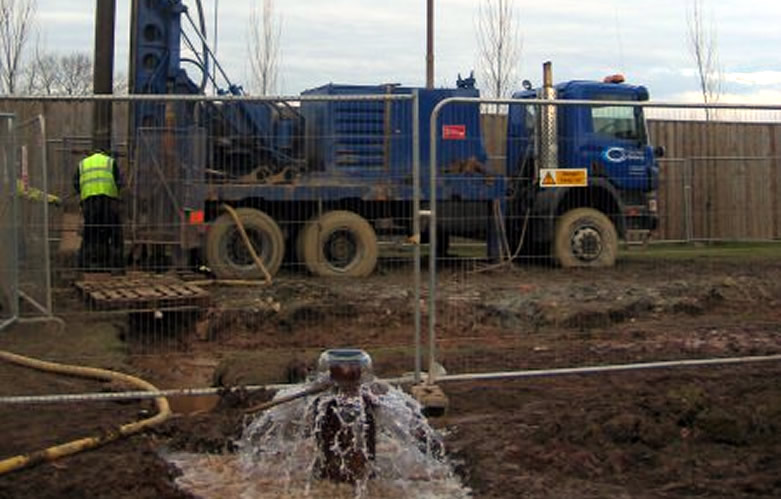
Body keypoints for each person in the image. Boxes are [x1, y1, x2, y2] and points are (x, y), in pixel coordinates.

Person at [73, 148, 124, 271]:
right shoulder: (110, 162)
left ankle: (84, 265)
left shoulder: (83, 163)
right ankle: (117, 266)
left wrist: (84, 192)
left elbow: (75, 183)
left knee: (90, 232)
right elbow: (119, 182)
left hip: (89, 202)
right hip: (108, 201)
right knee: (114, 232)